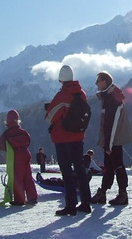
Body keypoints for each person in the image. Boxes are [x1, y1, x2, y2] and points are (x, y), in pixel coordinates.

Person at [45, 64, 92, 216]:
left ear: (61, 79)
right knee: (80, 169)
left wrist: (48, 109)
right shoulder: (82, 94)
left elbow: (50, 117)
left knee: (66, 171)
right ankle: (86, 203)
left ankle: (71, 205)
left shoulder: (62, 95)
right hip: (78, 137)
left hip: (63, 138)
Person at [90, 71, 132, 206]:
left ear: (105, 82)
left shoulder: (112, 99)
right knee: (109, 166)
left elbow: (112, 123)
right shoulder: (109, 96)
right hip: (112, 139)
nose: (96, 84)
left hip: (114, 140)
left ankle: (122, 194)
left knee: (118, 166)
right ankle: (103, 192)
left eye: (98, 81)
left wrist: (108, 144)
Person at [0, 109, 38, 206]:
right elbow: (28, 140)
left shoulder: (7, 133)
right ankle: (32, 197)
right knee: (28, 176)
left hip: (15, 156)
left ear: (7, 121)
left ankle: (19, 200)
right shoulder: (23, 132)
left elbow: (1, 145)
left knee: (17, 178)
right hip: (26, 154)